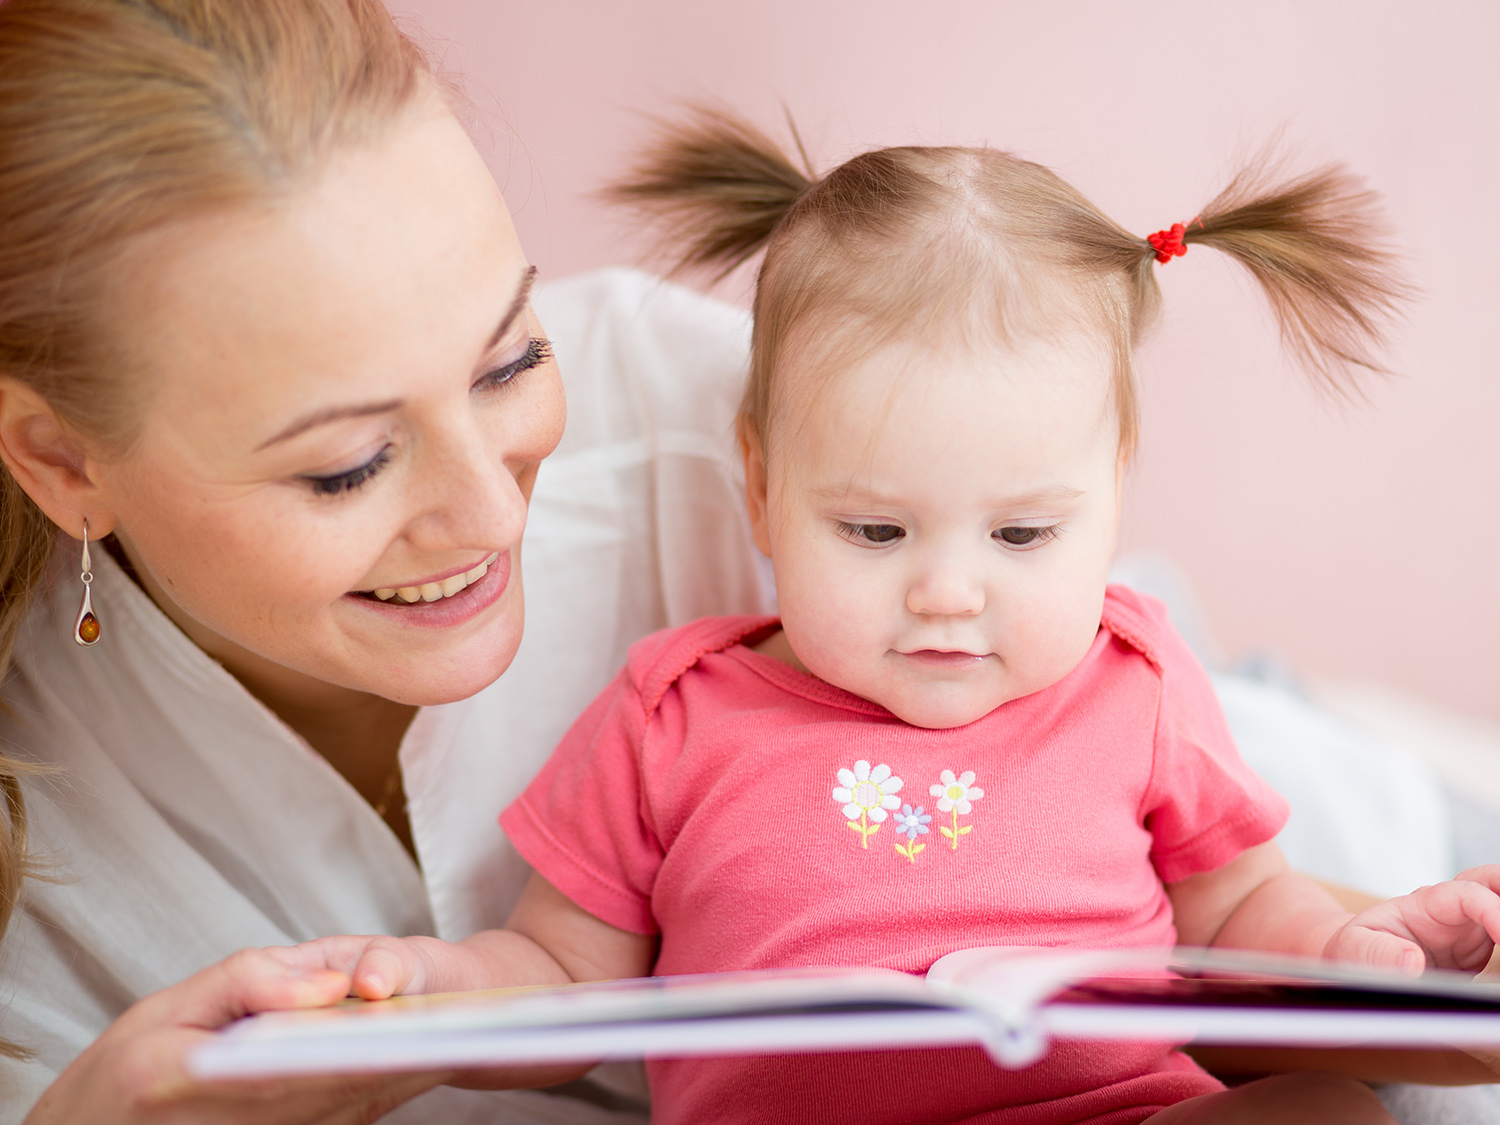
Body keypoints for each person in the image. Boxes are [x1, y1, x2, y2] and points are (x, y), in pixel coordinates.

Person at [293, 110, 1500, 1124]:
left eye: (1023, 536)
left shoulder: (1132, 680)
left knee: (1330, 1109)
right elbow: (560, 972)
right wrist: (423, 997)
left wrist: (1360, 958)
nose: (948, 593)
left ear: (1114, 490)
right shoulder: (675, 714)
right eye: (875, 533)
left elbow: (1240, 910)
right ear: (760, 487)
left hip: (1119, 1112)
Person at [0, 3, 768, 1122]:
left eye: (510, 361)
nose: (492, 516)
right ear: (62, 460)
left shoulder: (752, 439)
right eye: (348, 466)